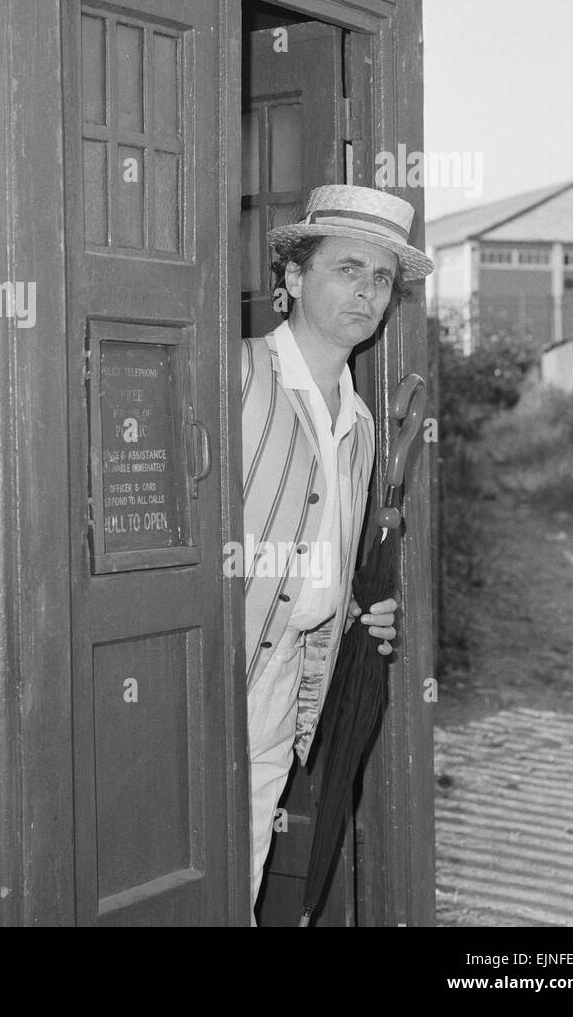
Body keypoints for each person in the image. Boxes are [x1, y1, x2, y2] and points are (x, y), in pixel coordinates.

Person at [241, 184, 434, 924]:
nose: (368, 291)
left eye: (382, 279)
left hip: (288, 685)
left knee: (243, 875)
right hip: (213, 677)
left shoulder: (358, 425)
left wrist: (354, 608)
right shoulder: (236, 376)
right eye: (348, 268)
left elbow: (314, 548)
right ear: (292, 278)